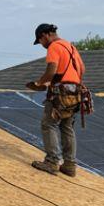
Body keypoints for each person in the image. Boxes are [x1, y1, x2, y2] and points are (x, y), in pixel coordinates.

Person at [26, 23, 84, 177]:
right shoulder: (71, 47)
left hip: (60, 92)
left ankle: (52, 162)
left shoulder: (54, 46)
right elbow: (82, 69)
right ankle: (70, 165)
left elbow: (52, 69)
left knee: (49, 124)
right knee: (66, 126)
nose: (42, 45)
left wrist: (39, 83)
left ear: (45, 35)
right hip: (75, 91)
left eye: (40, 41)